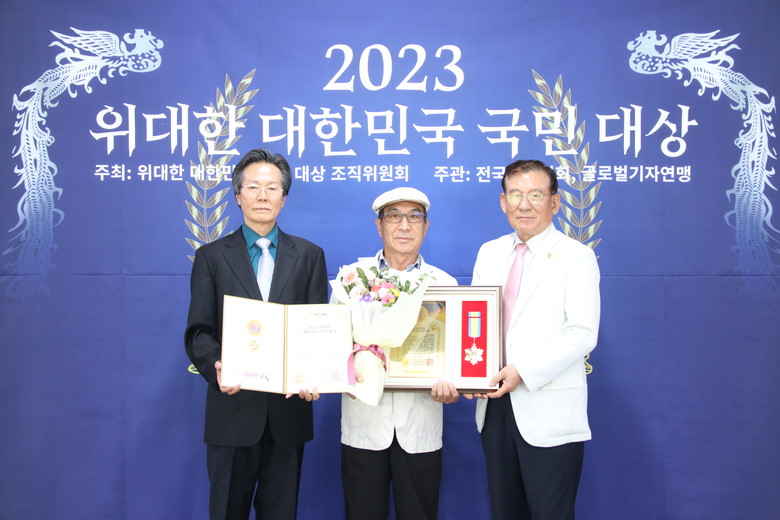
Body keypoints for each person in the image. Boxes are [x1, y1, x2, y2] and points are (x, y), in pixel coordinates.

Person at [184, 149, 328, 520]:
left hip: (288, 414)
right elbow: (199, 331)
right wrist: (217, 365)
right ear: (238, 196)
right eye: (253, 187)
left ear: (284, 197)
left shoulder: (309, 256)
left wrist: (316, 373)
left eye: (272, 188)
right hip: (232, 412)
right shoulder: (211, 257)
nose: (262, 196)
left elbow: (317, 327)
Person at [467, 160, 601, 519]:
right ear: (503, 202)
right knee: (504, 511)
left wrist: (522, 371)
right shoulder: (489, 252)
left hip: (548, 407)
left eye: (536, 195)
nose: (524, 204)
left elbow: (582, 333)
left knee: (550, 512)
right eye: (515, 195)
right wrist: (468, 371)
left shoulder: (577, 257)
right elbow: (474, 323)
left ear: (554, 202)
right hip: (494, 406)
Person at [338, 187, 460, 520]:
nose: (404, 225)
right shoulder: (352, 279)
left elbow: (456, 356)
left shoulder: (445, 285)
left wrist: (456, 383)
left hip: (420, 428)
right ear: (379, 225)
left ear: (426, 226)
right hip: (363, 425)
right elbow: (332, 346)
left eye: (414, 217)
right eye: (394, 216)